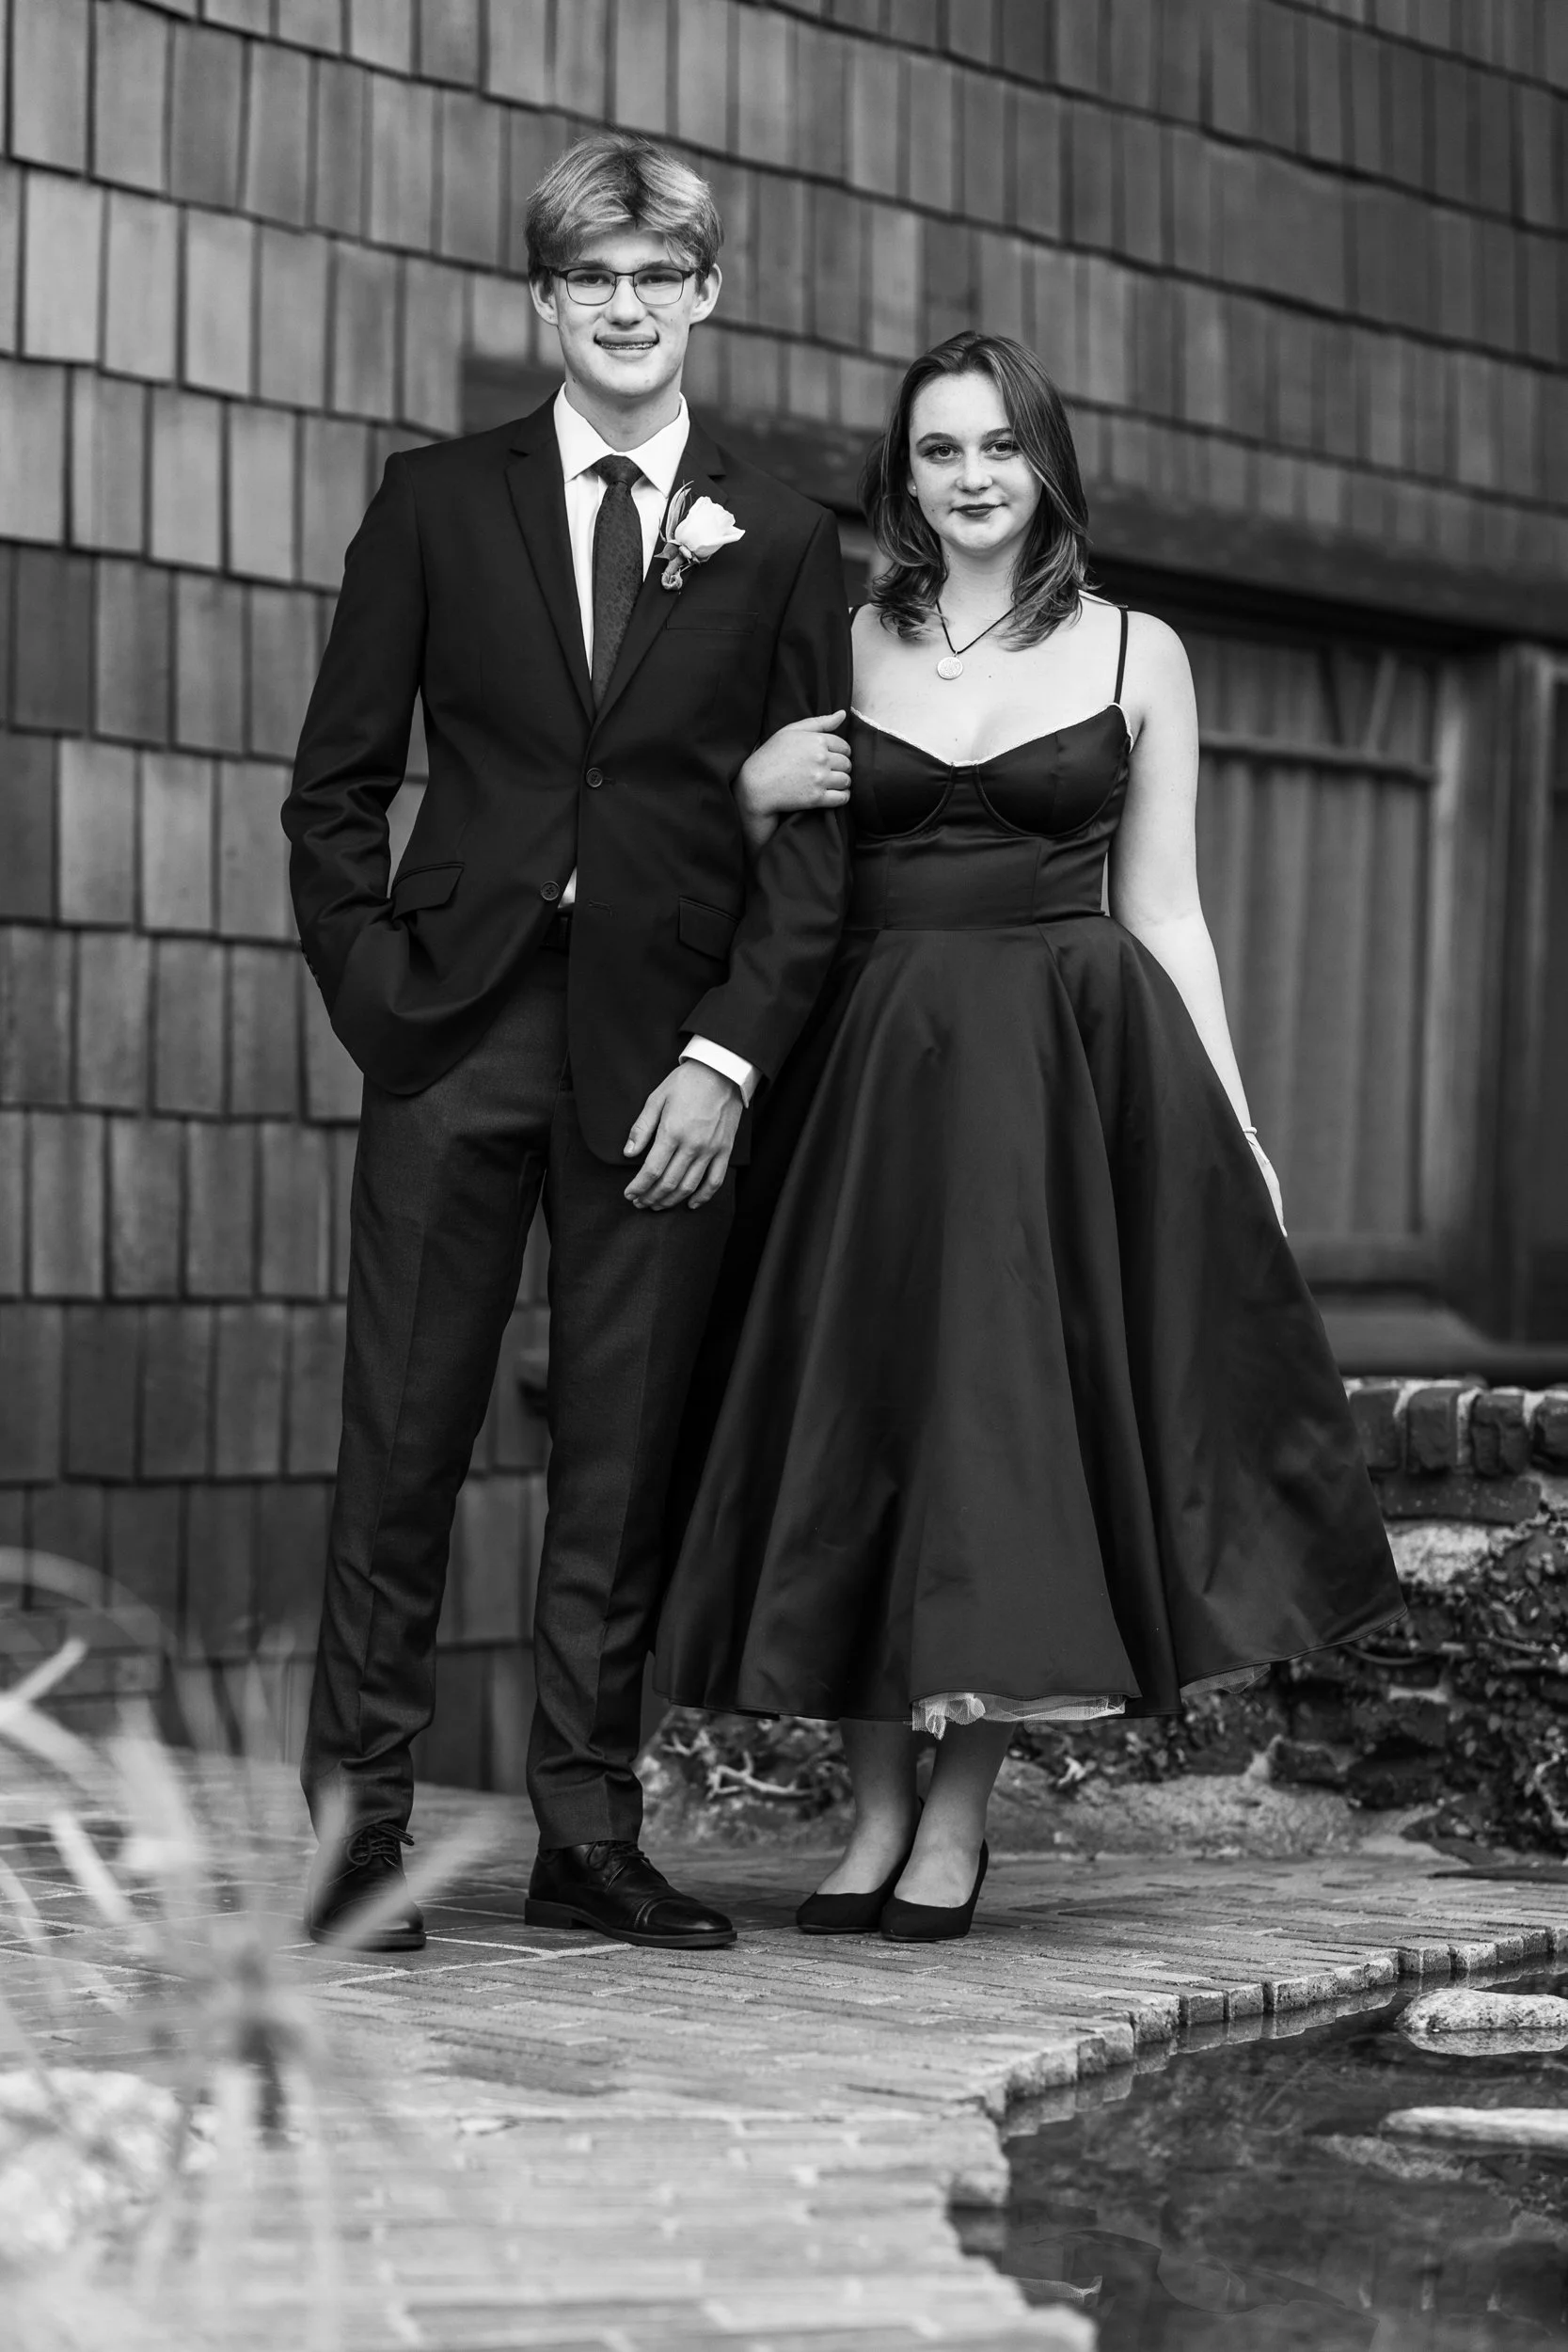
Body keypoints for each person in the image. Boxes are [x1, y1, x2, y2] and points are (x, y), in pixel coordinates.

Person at [655, 331, 1404, 1942]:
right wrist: (741, 791)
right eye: (939, 451)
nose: (973, 476)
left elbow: (1168, 911)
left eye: (999, 445)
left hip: (1059, 1081)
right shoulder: (839, 637)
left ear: (1045, 462)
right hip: (865, 1074)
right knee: (857, 1420)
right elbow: (759, 871)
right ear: (902, 478)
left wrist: (1238, 1122)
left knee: (1009, 1435)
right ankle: (864, 1816)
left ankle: (955, 1815)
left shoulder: (1139, 650)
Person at [283, 133, 850, 1952]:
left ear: (704, 297)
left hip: (663, 1060)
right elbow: (335, 791)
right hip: (456, 1038)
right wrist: (384, 1001)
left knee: (616, 1462)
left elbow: (812, 836)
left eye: (655, 277)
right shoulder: (438, 501)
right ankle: (353, 1839)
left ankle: (585, 1838)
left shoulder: (778, 541)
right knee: (401, 1448)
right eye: (590, 278)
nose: (624, 306)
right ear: (547, 301)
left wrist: (730, 1060)